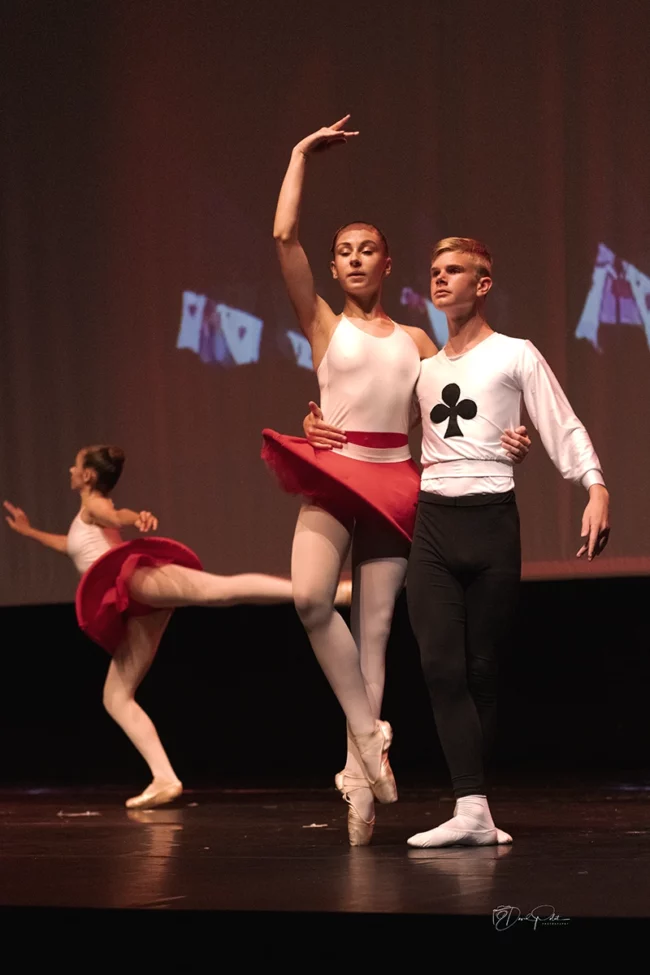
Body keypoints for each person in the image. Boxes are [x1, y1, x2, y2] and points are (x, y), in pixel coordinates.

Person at [262, 117, 530, 845]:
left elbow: (462, 394)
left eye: (366, 250)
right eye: (342, 251)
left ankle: (362, 794)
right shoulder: (322, 323)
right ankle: (365, 733)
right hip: (335, 471)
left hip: (393, 481)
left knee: (375, 638)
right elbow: (284, 239)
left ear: (387, 264)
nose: (352, 259)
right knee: (312, 598)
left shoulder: (417, 340)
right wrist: (298, 155)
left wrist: (509, 437)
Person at [306, 236, 610, 848]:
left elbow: (561, 422)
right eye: (435, 272)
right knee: (439, 666)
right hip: (434, 524)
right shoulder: (423, 369)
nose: (441, 280)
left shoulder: (515, 354)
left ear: (483, 284)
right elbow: (379, 423)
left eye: (455, 271)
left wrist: (594, 486)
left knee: (480, 668)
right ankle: (470, 807)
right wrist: (317, 426)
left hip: (492, 519)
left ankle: (476, 806)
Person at [4, 444, 350, 810]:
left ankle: (323, 591)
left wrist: (133, 517)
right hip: (135, 604)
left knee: (221, 590)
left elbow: (112, 512)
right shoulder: (83, 518)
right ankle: (164, 777)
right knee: (115, 697)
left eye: (74, 466)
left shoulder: (94, 506)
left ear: (88, 476)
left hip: (136, 582)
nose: (69, 471)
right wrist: (29, 533)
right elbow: (69, 545)